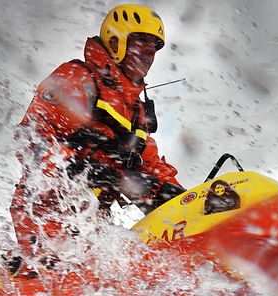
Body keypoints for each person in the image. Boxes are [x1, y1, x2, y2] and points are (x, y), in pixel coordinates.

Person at [10, 4, 184, 265]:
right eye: (141, 41)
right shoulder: (78, 79)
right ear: (115, 42)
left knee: (111, 271)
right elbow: (31, 140)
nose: (149, 52)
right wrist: (82, 170)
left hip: (93, 222)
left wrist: (182, 199)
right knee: (73, 274)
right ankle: (25, 279)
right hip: (48, 213)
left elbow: (150, 166)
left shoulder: (135, 110)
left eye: (154, 46)